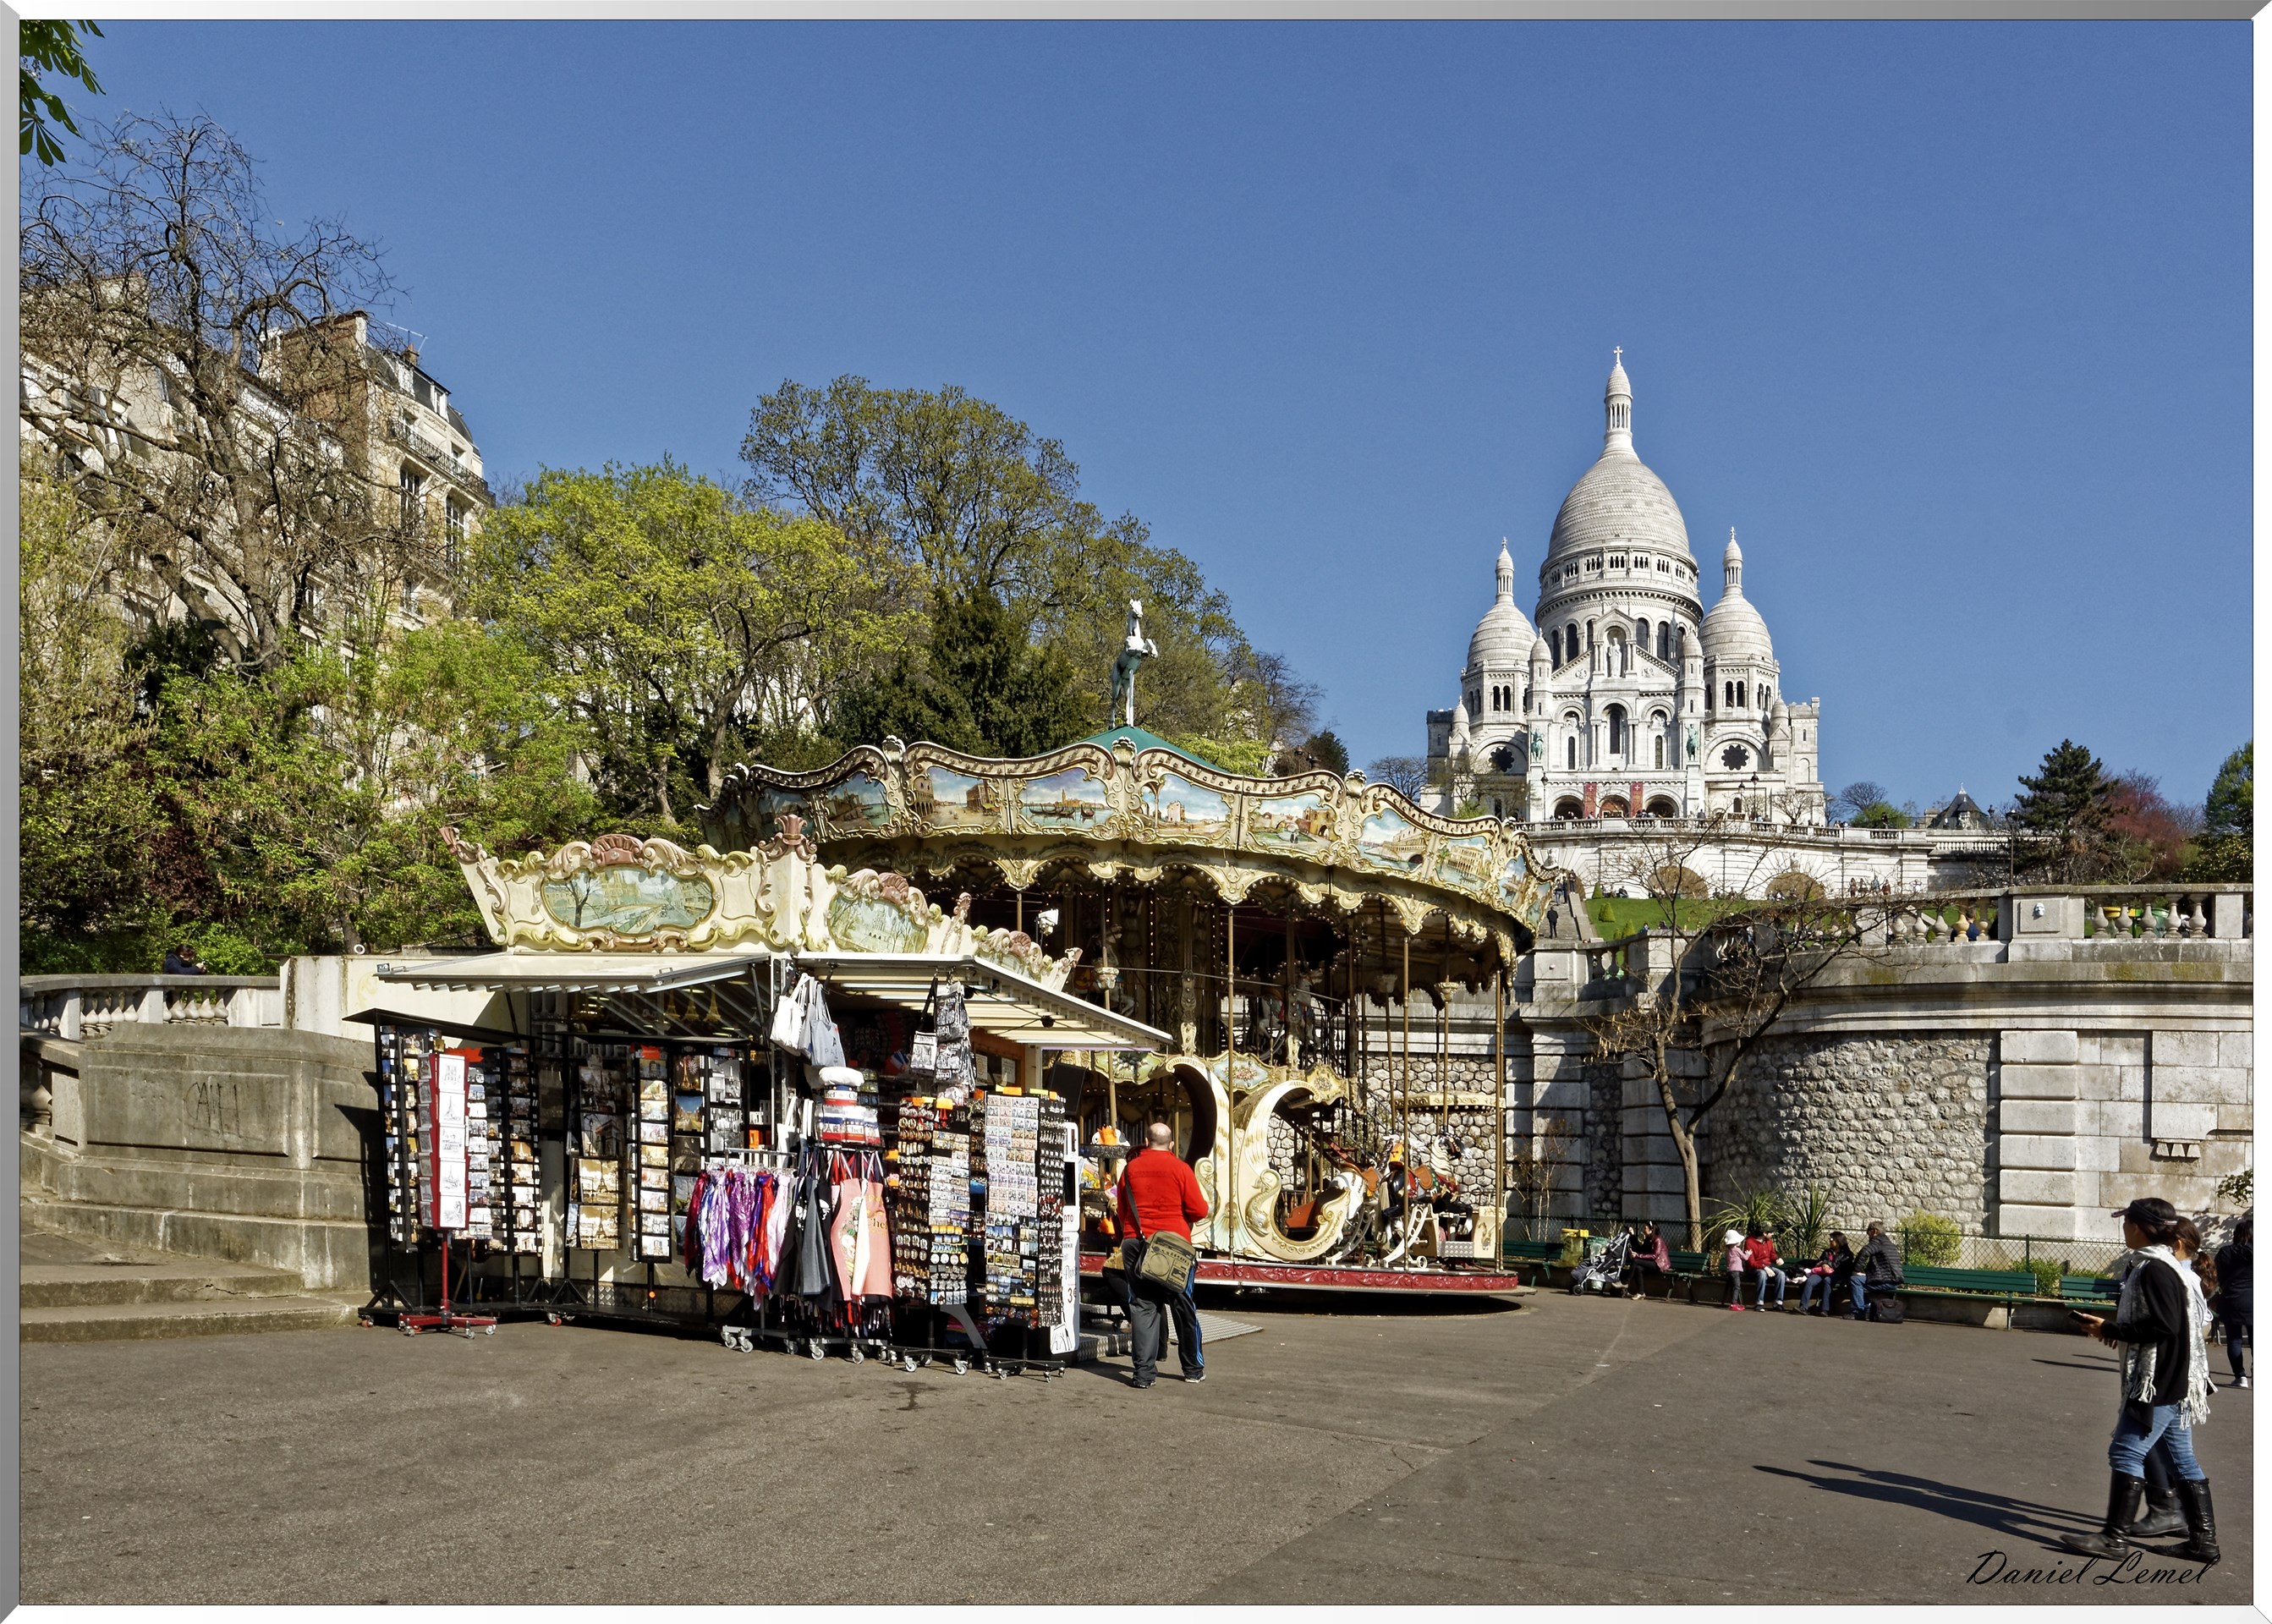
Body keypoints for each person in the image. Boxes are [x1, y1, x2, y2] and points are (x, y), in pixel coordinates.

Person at [2062, 1197, 2219, 1566]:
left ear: (2137, 1227)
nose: (2123, 1228)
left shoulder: (2154, 1269)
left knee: (2126, 1451)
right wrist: (2113, 1330)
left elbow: (2165, 1326)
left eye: (2126, 1222)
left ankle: (2114, 1540)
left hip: (2158, 1380)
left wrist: (2114, 1328)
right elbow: (2169, 1324)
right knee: (2181, 1460)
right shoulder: (2167, 1267)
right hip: (2177, 1377)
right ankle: (2203, 1542)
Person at [1117, 1121, 1210, 1388]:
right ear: (1171, 1145)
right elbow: (1200, 1210)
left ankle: (1144, 1375)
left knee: (1143, 1307)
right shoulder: (1180, 1168)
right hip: (1174, 1248)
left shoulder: (1130, 1169)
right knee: (1183, 1306)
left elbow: (1123, 1210)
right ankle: (1192, 1369)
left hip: (1136, 1243)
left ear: (1146, 1142)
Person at [2213, 1216, 2251, 1391]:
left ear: (2236, 1235)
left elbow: (2219, 1278)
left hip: (2232, 1300)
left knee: (2234, 1339)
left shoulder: (2225, 1252)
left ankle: (2240, 1376)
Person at [1847, 1221, 1902, 1320]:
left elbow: (1865, 1252)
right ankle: (1867, 1306)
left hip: (1885, 1280)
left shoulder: (1877, 1241)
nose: (1867, 1234)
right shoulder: (1888, 1242)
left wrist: (1856, 1270)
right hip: (1893, 1279)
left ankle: (1859, 1312)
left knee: (1854, 1280)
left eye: (1868, 1231)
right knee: (1858, 1283)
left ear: (1875, 1231)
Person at [1798, 1232, 1853, 1316]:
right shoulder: (1827, 1252)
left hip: (1838, 1274)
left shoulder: (1847, 1254)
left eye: (1831, 1239)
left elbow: (1838, 1266)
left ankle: (1825, 1309)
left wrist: (1826, 1263)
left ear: (1838, 1241)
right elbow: (1821, 1261)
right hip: (1822, 1273)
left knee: (1827, 1280)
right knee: (1810, 1281)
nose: (1830, 1241)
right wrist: (1823, 1264)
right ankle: (1803, 1307)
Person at [1743, 1225, 1787, 1310]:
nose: (1772, 1234)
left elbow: (1772, 1255)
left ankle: (1778, 1303)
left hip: (1768, 1267)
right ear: (1764, 1233)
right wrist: (1763, 1267)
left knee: (1781, 1274)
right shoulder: (1749, 1242)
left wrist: (1777, 1259)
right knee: (1762, 1274)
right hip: (1754, 1270)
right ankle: (1759, 1303)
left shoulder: (1769, 1241)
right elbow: (1751, 1263)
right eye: (1770, 1232)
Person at [1624, 1222, 1671, 1298]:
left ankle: (1625, 1282)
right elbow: (1639, 1249)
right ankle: (1641, 1292)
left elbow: (1654, 1256)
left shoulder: (1657, 1240)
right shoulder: (1648, 1240)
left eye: (1645, 1228)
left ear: (1651, 1230)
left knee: (1636, 1261)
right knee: (1638, 1268)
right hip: (1652, 1263)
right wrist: (1632, 1235)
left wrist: (1638, 1255)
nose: (1643, 1230)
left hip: (1659, 1264)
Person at [1720, 1227, 1747, 1311]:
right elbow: (1745, 1257)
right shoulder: (1737, 1249)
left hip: (1730, 1271)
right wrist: (1749, 1254)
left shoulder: (1728, 1250)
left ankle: (1733, 1302)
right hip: (1736, 1271)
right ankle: (1734, 1303)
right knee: (1737, 1286)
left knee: (1732, 1286)